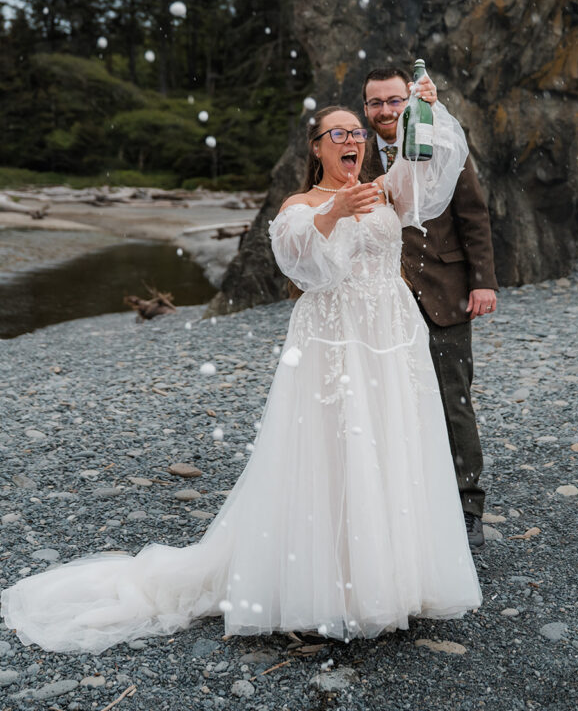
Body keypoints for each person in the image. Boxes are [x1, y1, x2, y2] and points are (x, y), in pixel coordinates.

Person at [1, 88, 480, 654]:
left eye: (357, 132)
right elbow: (303, 262)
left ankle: (399, 578)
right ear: (317, 147)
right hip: (333, 337)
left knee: (392, 440)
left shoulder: (385, 190)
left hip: (391, 333)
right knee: (333, 448)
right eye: (339, 134)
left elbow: (438, 165)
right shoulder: (298, 205)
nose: (352, 140)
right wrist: (333, 211)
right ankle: (327, 586)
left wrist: (429, 106)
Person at [363, 67, 498, 552]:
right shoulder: (352, 153)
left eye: (394, 100)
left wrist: (483, 281)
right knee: (386, 400)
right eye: (375, 102)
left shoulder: (440, 140)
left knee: (452, 399)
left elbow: (473, 213)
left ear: (410, 100)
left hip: (442, 288)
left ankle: (467, 508)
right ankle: (402, 503)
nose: (385, 110)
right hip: (376, 298)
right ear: (365, 109)